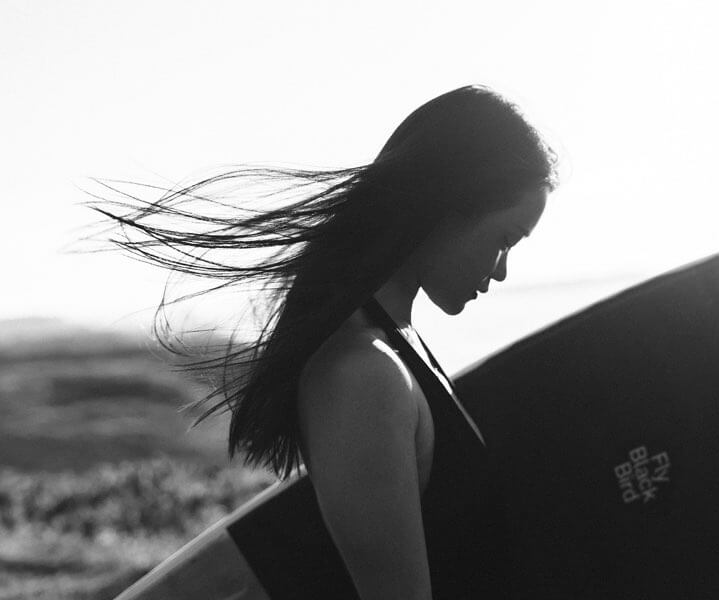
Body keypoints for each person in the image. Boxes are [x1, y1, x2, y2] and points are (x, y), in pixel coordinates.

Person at [92, 84, 558, 599]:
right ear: (448, 209)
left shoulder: (394, 348)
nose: (503, 271)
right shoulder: (362, 376)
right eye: (504, 240)